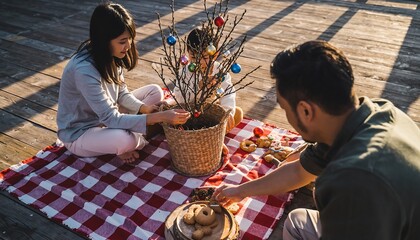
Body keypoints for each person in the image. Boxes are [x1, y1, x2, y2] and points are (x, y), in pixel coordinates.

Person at [214, 40, 420, 239]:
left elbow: (356, 190)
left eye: (285, 110)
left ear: (305, 111)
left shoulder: (350, 182)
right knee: (297, 222)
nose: (287, 116)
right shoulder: (379, 111)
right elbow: (298, 171)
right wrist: (240, 190)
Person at [56, 3, 190, 163]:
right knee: (125, 140)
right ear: (104, 40)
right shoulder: (83, 70)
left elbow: (121, 92)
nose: (128, 46)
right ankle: (131, 139)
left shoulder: (109, 54)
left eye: (130, 39)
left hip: (107, 117)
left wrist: (145, 109)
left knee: (154, 92)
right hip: (81, 133)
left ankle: (135, 131)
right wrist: (158, 117)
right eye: (122, 41)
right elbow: (110, 118)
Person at [172, 27, 243, 154]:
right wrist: (197, 88)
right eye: (193, 56)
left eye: (204, 56)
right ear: (188, 53)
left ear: (214, 54)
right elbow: (179, 97)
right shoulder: (186, 72)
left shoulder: (219, 71)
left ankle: (214, 140)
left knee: (237, 113)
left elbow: (228, 93)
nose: (198, 61)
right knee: (175, 118)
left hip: (212, 115)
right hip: (191, 114)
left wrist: (228, 113)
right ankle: (206, 142)